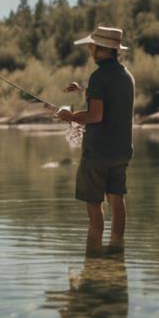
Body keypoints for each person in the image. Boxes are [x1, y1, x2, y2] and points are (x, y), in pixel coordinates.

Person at [55, 26, 135, 255]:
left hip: (98, 153)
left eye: (92, 45)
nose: (90, 48)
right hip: (121, 151)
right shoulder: (126, 76)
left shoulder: (99, 76)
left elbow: (96, 115)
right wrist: (84, 91)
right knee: (117, 199)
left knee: (94, 204)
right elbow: (110, 103)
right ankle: (117, 248)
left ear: (102, 49)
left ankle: (95, 256)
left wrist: (68, 116)